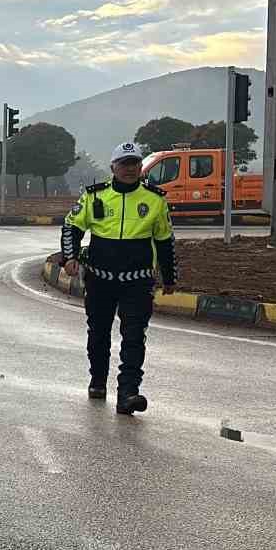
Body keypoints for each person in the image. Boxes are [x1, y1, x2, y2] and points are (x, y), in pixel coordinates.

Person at [60, 141, 178, 416]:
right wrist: (70, 257)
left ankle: (128, 393)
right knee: (98, 333)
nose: (130, 169)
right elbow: (71, 226)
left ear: (140, 167)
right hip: (100, 279)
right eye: (124, 164)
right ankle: (98, 380)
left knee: (134, 336)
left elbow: (165, 241)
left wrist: (170, 276)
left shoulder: (155, 199)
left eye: (135, 163)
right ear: (113, 167)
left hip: (137, 281)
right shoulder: (94, 197)